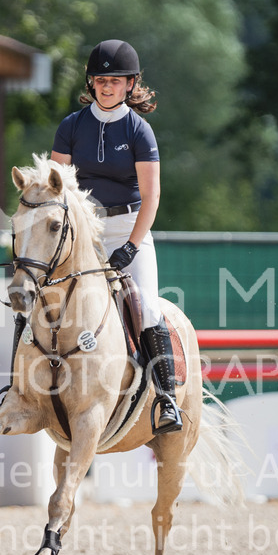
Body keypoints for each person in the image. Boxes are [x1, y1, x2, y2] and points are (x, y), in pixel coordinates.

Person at [49, 39, 181, 435]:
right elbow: (57, 188)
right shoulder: (71, 126)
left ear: (130, 84)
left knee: (149, 308)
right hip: (84, 231)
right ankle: (20, 381)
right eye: (100, 80)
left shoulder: (139, 130)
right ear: (91, 82)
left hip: (128, 227)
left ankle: (166, 398)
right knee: (46, 296)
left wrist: (131, 245)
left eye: (115, 81)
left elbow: (152, 195)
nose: (107, 87)